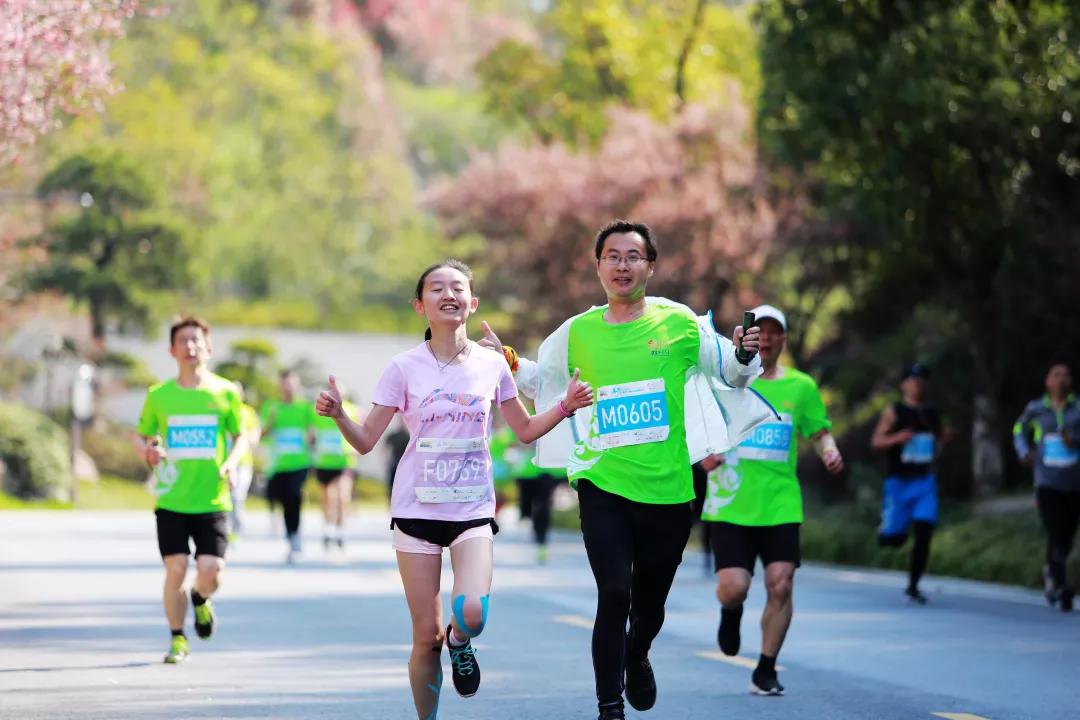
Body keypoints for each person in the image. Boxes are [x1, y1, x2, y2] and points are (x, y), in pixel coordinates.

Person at [482, 220, 774, 720]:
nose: (622, 265)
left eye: (632, 256)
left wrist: (745, 351)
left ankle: (637, 654)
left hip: (666, 488)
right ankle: (608, 705)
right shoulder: (578, 331)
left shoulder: (680, 323)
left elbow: (731, 371)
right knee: (614, 593)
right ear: (598, 266)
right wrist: (507, 361)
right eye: (612, 256)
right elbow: (542, 380)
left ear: (650, 266)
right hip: (603, 481)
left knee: (649, 604)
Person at [315, 259, 593, 719]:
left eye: (458, 288)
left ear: (472, 302)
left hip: (472, 510)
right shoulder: (402, 368)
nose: (449, 295)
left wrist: (564, 406)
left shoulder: (491, 365)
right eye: (437, 288)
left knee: (471, 615)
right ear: (419, 304)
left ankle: (461, 643)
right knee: (425, 637)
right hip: (416, 511)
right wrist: (340, 415)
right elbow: (365, 441)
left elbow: (523, 430)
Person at [699, 304, 844, 697]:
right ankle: (731, 612)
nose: (764, 337)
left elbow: (819, 431)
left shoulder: (801, 387)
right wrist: (703, 453)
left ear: (783, 339)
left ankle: (765, 668)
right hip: (730, 501)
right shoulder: (727, 379)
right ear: (748, 337)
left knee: (781, 585)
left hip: (780, 501)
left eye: (773, 331)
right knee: (734, 587)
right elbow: (698, 422)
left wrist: (829, 450)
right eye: (758, 330)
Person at [135, 316, 247, 664]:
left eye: (196, 340)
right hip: (171, 499)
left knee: (212, 572)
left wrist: (231, 462)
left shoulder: (225, 392)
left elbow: (241, 435)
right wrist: (148, 452)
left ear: (208, 348)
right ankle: (177, 638)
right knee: (177, 569)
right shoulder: (159, 395)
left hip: (212, 498)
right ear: (172, 350)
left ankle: (200, 598)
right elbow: (141, 435)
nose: (190, 346)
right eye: (183, 340)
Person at [870, 363, 950, 604]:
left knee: (924, 531)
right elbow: (876, 441)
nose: (918, 383)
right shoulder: (894, 411)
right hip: (899, 483)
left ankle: (913, 586)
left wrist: (944, 440)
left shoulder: (931, 413)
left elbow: (940, 439)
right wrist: (897, 437)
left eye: (922, 380)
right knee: (896, 539)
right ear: (904, 383)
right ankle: (886, 532)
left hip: (924, 482)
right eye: (914, 379)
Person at [1014, 362, 1080, 612]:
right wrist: (1023, 450)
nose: (1062, 379)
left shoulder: (1078, 408)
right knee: (1055, 530)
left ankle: (1052, 572)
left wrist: (1073, 440)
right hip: (1046, 481)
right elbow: (1018, 428)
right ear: (1047, 382)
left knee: (1066, 535)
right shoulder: (1036, 409)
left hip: (1074, 482)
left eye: (1066, 374)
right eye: (1056, 374)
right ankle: (1061, 586)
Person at [261, 369, 316, 563]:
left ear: (298, 384)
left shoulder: (305, 408)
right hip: (278, 464)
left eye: (292, 383)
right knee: (284, 500)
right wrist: (271, 422)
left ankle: (295, 537)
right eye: (285, 383)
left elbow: (312, 433)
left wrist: (311, 438)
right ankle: (290, 534)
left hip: (299, 463)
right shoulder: (271, 407)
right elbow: (262, 434)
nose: (288, 387)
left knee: (294, 496)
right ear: (280, 385)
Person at [312, 382, 359, 551]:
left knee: (342, 496)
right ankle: (328, 529)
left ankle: (340, 530)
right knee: (327, 498)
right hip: (324, 461)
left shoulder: (353, 410)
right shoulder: (318, 410)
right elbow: (311, 434)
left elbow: (360, 431)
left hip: (344, 461)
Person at [510, 438, 563, 564]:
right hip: (526, 471)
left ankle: (542, 540)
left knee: (542, 507)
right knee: (526, 506)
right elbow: (514, 441)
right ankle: (529, 523)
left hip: (548, 470)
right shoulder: (525, 416)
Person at [228, 381, 262, 540]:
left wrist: (242, 438)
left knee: (236, 496)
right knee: (225, 498)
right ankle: (225, 529)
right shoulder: (222, 411)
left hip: (242, 464)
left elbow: (255, 435)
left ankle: (237, 528)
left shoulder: (248, 412)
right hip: (222, 463)